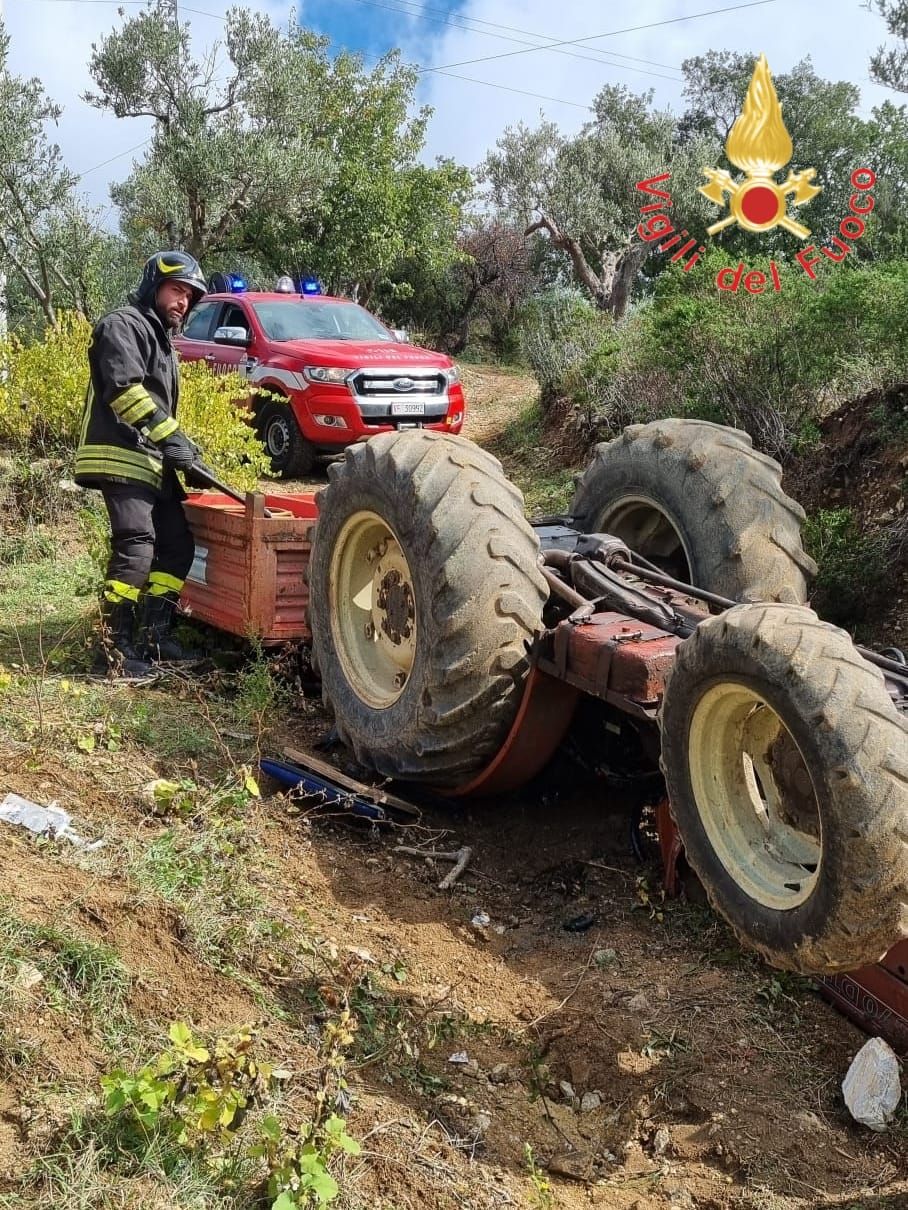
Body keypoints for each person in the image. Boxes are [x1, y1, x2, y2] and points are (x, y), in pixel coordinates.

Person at [75, 250, 209, 677]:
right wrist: (171, 436)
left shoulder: (161, 339)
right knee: (137, 545)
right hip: (120, 453)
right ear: (153, 285)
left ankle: (155, 637)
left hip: (150, 462)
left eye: (189, 295)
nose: (183, 301)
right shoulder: (122, 325)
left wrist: (185, 448)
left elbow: (157, 407)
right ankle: (112, 649)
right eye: (176, 290)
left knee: (176, 546)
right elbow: (125, 391)